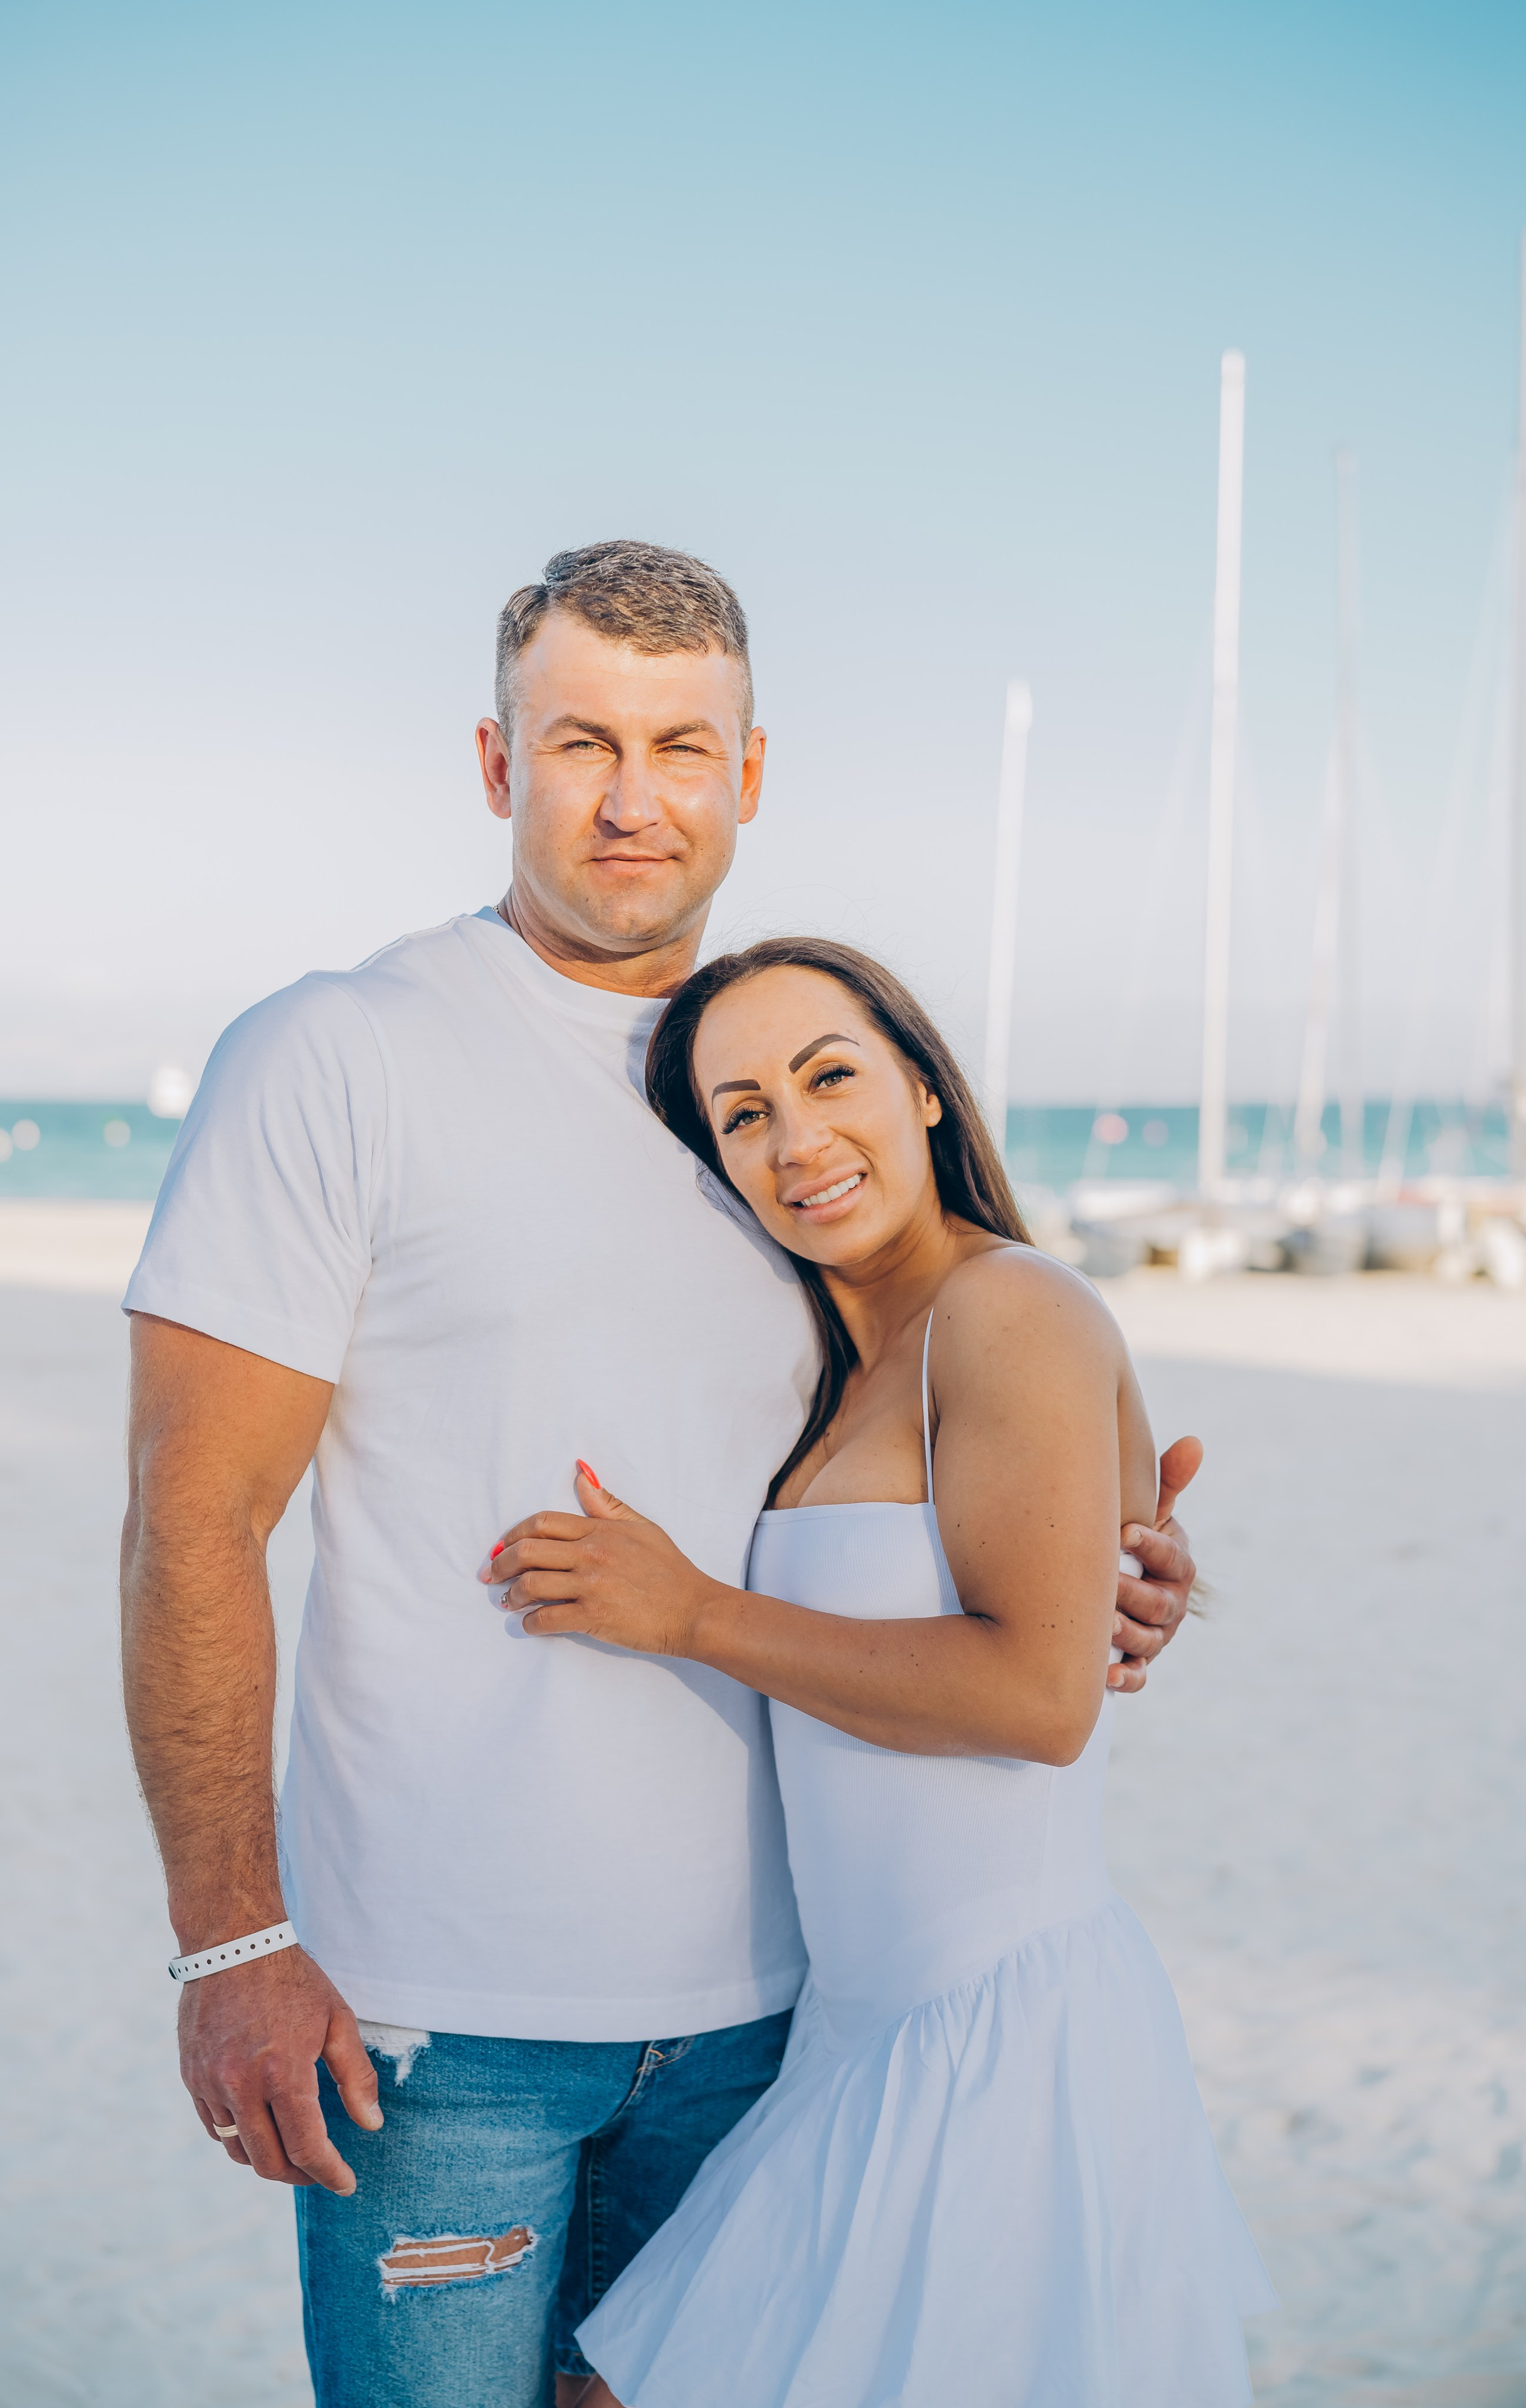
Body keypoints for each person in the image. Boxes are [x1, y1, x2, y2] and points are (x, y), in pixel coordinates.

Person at [119, 541, 1199, 2408]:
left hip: (786, 2021)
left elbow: (950, 1417)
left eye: (684, 746)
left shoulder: (785, 1106)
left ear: (752, 774)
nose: (635, 798)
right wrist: (231, 1933)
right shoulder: (341, 1056)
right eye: (581, 743)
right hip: (443, 2028)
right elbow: (190, 1520)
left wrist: (1118, 1550)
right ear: (494, 763)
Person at [485, 937, 1273, 2405]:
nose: (796, 1139)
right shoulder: (844, 1355)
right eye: (741, 1113)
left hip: (986, 2042)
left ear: (919, 1086)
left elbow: (1038, 1702)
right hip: (852, 2035)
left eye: (827, 1076)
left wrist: (691, 1615)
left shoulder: (1006, 1306)